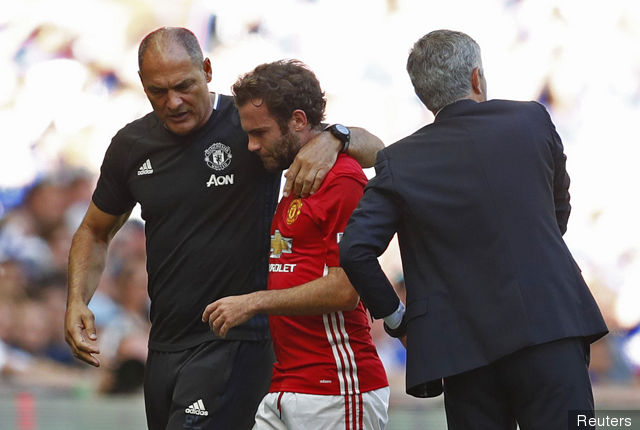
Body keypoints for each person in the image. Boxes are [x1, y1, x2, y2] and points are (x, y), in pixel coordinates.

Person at [64, 27, 383, 430]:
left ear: (207, 70)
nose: (174, 101)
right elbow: (95, 230)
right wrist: (77, 299)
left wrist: (338, 137)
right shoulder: (132, 145)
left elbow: (379, 152)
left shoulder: (251, 124)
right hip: (164, 342)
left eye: (183, 86)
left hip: (237, 339)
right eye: (158, 92)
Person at [339, 29, 608, 430]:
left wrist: (398, 320)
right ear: (477, 78)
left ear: (424, 95)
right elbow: (558, 214)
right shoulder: (531, 120)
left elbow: (355, 249)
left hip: (464, 352)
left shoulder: (400, 161)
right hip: (551, 328)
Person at [202, 60, 389, 430]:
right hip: (287, 383)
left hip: (337, 386)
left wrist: (254, 301)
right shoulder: (296, 175)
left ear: (299, 121)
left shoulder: (342, 178)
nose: (252, 146)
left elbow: (345, 290)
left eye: (260, 133)